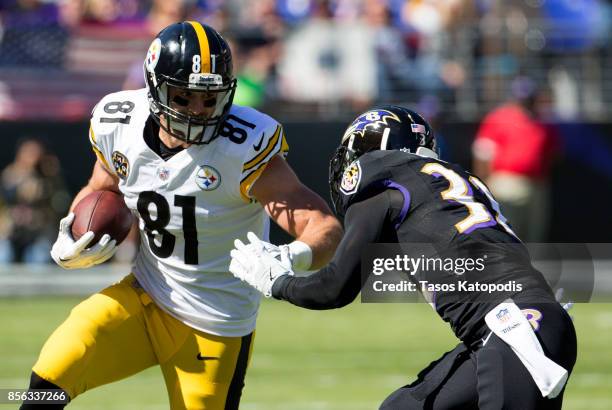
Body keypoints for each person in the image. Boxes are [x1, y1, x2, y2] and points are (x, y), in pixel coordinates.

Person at [21, 21, 342, 410]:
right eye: (184, 97)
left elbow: (323, 226)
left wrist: (292, 256)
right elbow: (102, 187)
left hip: (215, 325)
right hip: (144, 296)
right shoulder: (117, 120)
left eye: (210, 100)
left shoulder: (243, 147)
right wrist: (72, 232)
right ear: (155, 88)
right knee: (51, 373)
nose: (198, 111)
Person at [229, 106, 577, 409]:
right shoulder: (456, 183)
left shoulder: (384, 178)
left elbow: (335, 288)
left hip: (513, 331)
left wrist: (276, 281)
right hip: (517, 325)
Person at [472, 76, 560, 242]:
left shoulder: (542, 122)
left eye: (529, 98)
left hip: (537, 185)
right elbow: (483, 154)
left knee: (535, 235)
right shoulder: (499, 118)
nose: (525, 102)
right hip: (506, 183)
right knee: (507, 233)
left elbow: (554, 154)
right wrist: (483, 185)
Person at [0, 138, 69, 263]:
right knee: (4, 255)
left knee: (39, 257)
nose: (32, 157)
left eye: (36, 153)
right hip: (12, 232)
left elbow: (59, 202)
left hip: (38, 233)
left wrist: (52, 173)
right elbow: (13, 194)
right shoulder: (11, 173)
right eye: (29, 153)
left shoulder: (48, 177)